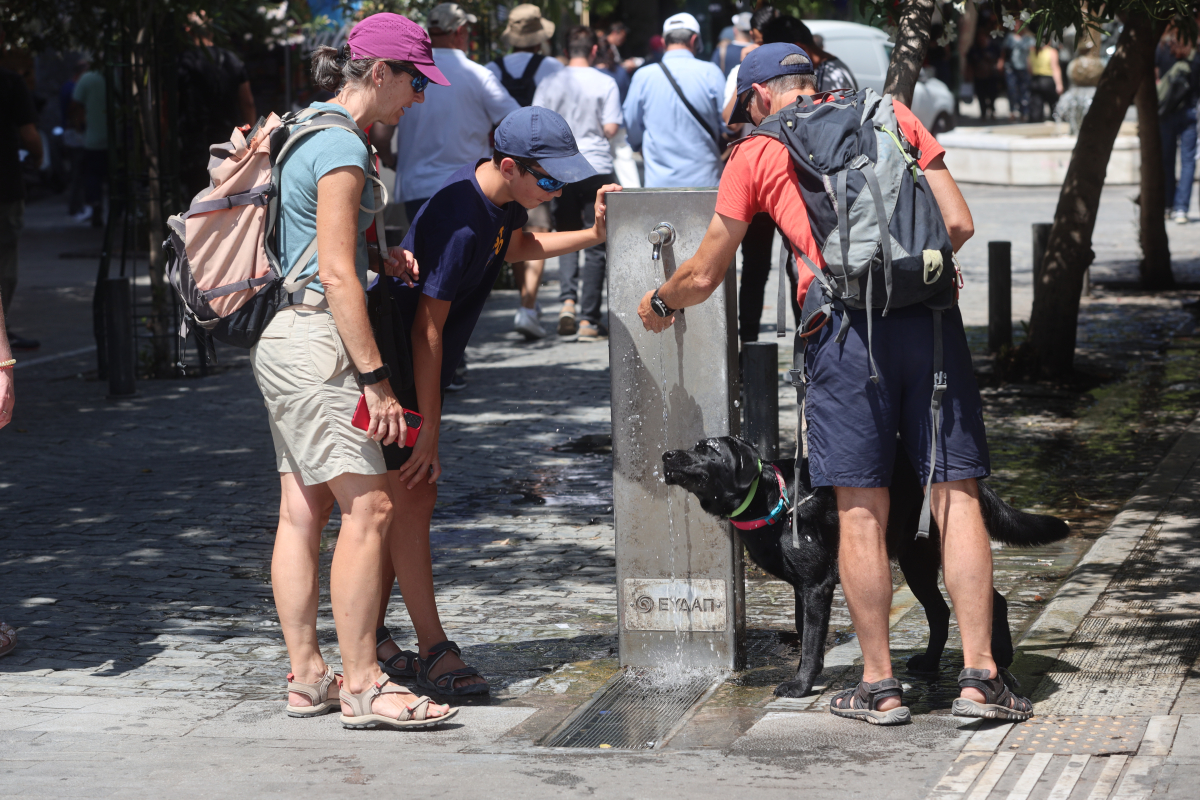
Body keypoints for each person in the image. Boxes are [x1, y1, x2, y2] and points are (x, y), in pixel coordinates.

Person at [636, 44, 1033, 725]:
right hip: (931, 326)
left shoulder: (757, 151)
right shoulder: (893, 114)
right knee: (956, 494)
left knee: (859, 507)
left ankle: (879, 688)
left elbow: (703, 273)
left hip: (844, 338)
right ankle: (980, 682)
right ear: (812, 82)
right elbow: (958, 223)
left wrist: (659, 302)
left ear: (758, 95)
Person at [250, 12, 458, 730]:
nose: (418, 99)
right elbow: (337, 275)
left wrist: (378, 256)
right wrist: (376, 380)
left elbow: (314, 243)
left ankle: (309, 676)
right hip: (321, 343)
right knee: (371, 508)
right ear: (379, 73)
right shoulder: (342, 144)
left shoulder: (304, 127)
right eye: (414, 83)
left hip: (285, 336)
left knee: (301, 509)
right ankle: (365, 684)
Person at [371, 106, 621, 696]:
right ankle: (432, 649)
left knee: (395, 506)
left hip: (410, 368)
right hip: (396, 369)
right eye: (550, 179)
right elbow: (426, 332)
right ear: (510, 166)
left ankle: (375, 639)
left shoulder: (499, 201)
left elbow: (515, 245)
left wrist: (593, 234)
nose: (556, 190)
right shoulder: (461, 216)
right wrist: (429, 429)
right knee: (410, 499)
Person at [534, 26, 622, 341]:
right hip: (596, 165)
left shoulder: (548, 82)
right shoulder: (605, 81)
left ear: (565, 50)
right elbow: (611, 127)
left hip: (559, 167)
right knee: (596, 239)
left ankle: (567, 303)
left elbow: (536, 124)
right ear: (594, 50)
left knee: (566, 234)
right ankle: (588, 318)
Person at [487, 4, 563, 341]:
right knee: (539, 227)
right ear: (540, 36)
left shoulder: (491, 69)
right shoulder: (553, 68)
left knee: (513, 230)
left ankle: (525, 301)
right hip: (540, 162)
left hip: (503, 164)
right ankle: (528, 304)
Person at [622, 13, 726, 189]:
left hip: (659, 182)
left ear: (663, 42)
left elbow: (631, 124)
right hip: (706, 181)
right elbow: (727, 123)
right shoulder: (711, 73)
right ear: (694, 40)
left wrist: (639, 146)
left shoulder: (643, 76)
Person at [177, 12, 258, 199]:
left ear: (188, 30)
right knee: (226, 196)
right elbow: (248, 102)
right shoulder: (232, 60)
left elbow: (169, 104)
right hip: (227, 141)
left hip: (193, 143)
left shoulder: (184, 62)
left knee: (196, 197)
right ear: (212, 30)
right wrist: (250, 137)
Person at [1, 38, 43, 352]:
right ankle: (1, 332)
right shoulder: (9, 82)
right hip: (4, 186)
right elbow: (29, 135)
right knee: (5, 263)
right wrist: (38, 157)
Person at [1157, 31, 1200, 224]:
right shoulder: (1195, 56)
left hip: (1166, 113)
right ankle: (1181, 208)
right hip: (1189, 113)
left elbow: (1156, 79)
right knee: (1188, 162)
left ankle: (1167, 205)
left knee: (1167, 160)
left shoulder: (1162, 51)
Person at [71, 64, 106, 228]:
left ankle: (95, 204)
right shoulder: (115, 76)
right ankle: (119, 210)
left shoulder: (87, 78)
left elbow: (75, 104)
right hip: (115, 137)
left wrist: (77, 124)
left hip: (93, 138)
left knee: (92, 175)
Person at [967, 30, 1003, 120]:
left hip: (991, 75)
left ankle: (992, 109)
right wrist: (968, 74)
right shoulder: (974, 49)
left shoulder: (993, 47)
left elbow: (1000, 57)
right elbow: (969, 63)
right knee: (981, 95)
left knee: (992, 94)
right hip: (979, 76)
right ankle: (983, 112)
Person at [1002, 26, 1035, 120]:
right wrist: (1001, 62)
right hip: (1011, 67)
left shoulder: (1029, 39)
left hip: (1024, 68)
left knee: (1024, 90)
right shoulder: (1009, 37)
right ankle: (1012, 111)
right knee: (1012, 89)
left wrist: (1031, 66)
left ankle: (1024, 112)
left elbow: (1031, 54)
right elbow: (1004, 51)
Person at [1028, 42, 1063, 123]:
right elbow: (1055, 68)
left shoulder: (1032, 51)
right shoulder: (1052, 51)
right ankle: (1056, 122)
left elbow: (1029, 68)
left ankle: (1036, 125)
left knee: (1036, 109)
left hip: (1035, 80)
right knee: (1054, 106)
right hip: (1048, 81)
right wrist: (1059, 84)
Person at [713, 13, 754, 77]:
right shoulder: (758, 51)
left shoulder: (722, 50)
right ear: (752, 32)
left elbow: (713, 75)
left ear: (735, 30)